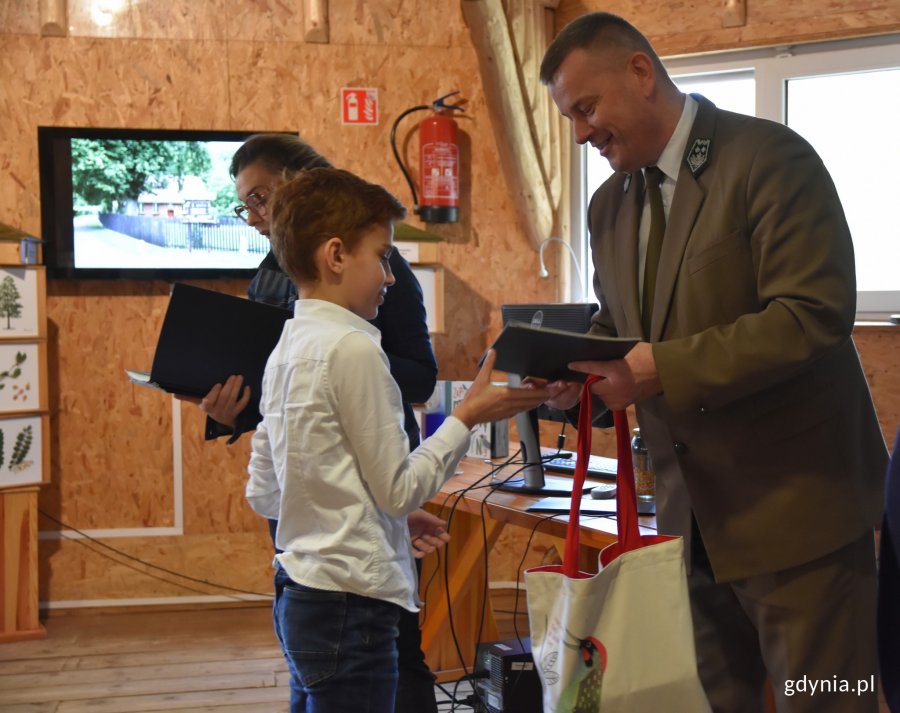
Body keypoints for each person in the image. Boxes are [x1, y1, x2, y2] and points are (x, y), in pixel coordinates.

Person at [537, 12, 888, 713]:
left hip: (798, 518)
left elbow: (811, 313)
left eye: (586, 108)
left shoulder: (770, 159)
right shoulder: (608, 206)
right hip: (687, 526)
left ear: (640, 73)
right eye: (569, 117)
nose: (580, 133)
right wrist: (566, 378)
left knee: (827, 701)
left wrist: (657, 367)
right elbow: (623, 329)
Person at [244, 166, 548, 712]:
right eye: (382, 255)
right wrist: (466, 418)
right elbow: (400, 490)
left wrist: (380, 519)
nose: (389, 276)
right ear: (335, 256)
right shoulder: (356, 349)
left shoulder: (288, 344)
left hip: (298, 596)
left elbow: (267, 493)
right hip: (352, 606)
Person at [193, 134, 447, 713]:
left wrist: (349, 369)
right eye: (246, 206)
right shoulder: (272, 277)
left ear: (300, 182)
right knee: (337, 667)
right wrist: (241, 405)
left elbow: (417, 373)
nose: (256, 216)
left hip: (362, 497)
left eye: (261, 198)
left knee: (391, 657)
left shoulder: (375, 280)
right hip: (316, 524)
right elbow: (274, 450)